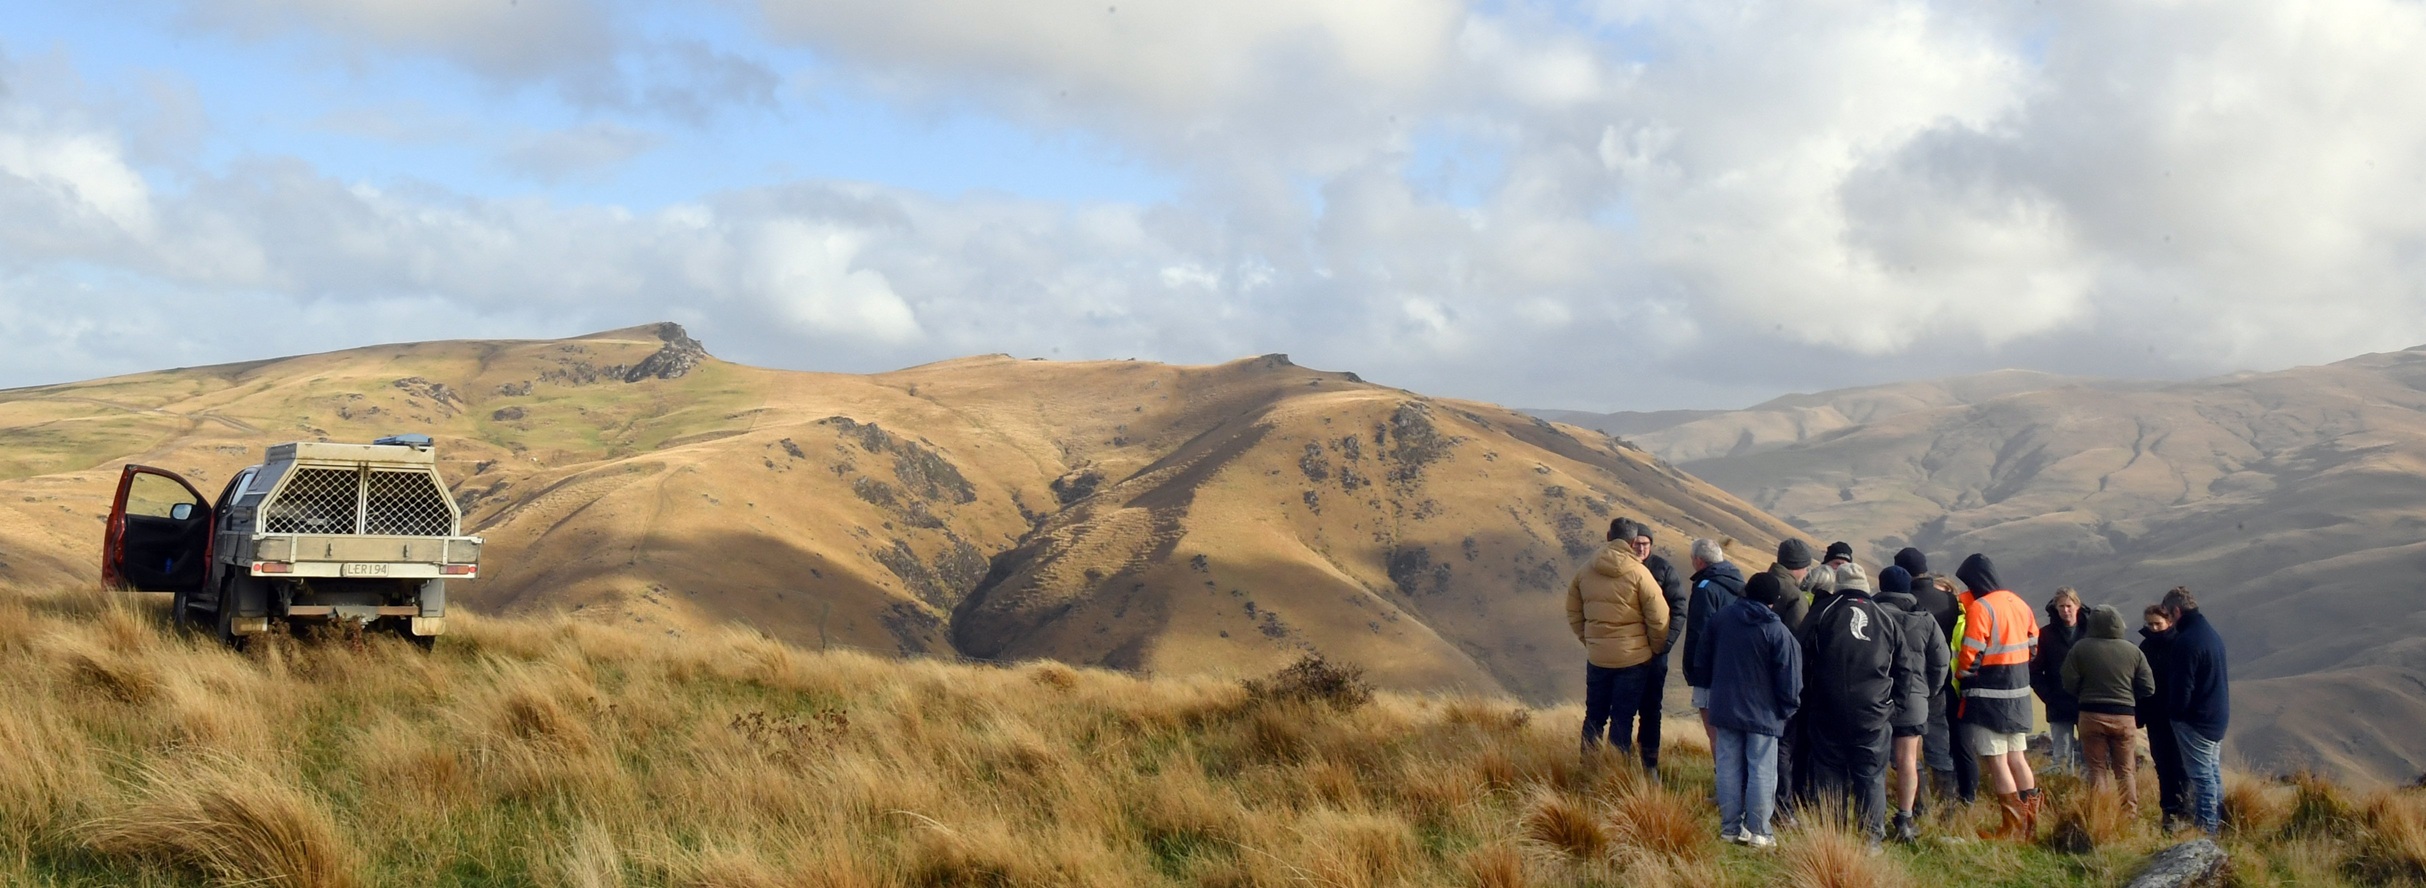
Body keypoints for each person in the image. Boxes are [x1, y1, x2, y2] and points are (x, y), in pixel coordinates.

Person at [1795, 562, 1907, 850]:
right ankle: (1871, 841)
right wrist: (1893, 706)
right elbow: (1904, 669)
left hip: (1827, 709)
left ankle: (1834, 839)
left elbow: (1800, 657)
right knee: (1871, 776)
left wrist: (1805, 699)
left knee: (1829, 771)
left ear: (1838, 585)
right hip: (1873, 713)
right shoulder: (1886, 618)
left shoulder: (1823, 612)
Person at [1709, 570, 1802, 849]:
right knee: (1762, 769)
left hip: (1725, 705)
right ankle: (1759, 832)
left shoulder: (1722, 619)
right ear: (1773, 600)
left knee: (1728, 766)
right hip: (1764, 713)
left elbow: (1703, 656)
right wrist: (1786, 709)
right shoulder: (1777, 630)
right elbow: (1790, 678)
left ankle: (1729, 829)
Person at [1567, 519, 1672, 759]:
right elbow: (1659, 617)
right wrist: (1653, 648)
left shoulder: (1585, 571)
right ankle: (1615, 770)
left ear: (1608, 536)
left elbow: (1573, 612)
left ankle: (1588, 767)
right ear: (1633, 542)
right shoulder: (1640, 573)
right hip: (1633, 658)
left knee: (1594, 715)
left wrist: (1591, 640)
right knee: (1623, 717)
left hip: (1598, 658)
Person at [1954, 554, 2041, 840]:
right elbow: (2033, 646)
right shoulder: (2019, 602)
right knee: (2018, 757)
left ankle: (2012, 827)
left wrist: (1962, 674)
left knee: (1998, 760)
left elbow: (1970, 654)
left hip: (1989, 696)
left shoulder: (1982, 607)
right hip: (2019, 692)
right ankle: (2031, 825)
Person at [1897, 548, 1976, 810]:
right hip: (1940, 683)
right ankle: (1948, 805)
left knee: (1906, 750)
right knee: (1940, 746)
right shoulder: (1950, 602)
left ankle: (1919, 805)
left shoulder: (1904, 601)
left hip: (1906, 685)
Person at [1876, 565, 1948, 842]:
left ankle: (1875, 818)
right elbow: (1941, 661)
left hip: (1876, 698)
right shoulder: (1925, 619)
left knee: (1876, 759)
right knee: (1908, 760)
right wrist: (1928, 691)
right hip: (1914, 699)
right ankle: (1905, 819)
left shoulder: (1872, 614)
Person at [2063, 604, 2155, 817]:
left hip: (2091, 715)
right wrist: (2129, 697)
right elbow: (2148, 687)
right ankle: (2129, 815)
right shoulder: (2133, 651)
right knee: (2125, 770)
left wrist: (2084, 693)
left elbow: (2068, 682)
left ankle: (2101, 815)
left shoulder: (2080, 648)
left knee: (2096, 769)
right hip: (2124, 716)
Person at [2159, 587, 2228, 834]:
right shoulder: (2209, 634)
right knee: (2212, 772)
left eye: (2169, 615)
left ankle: (2206, 832)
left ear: (2177, 611)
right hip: (2215, 717)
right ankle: (2219, 823)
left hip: (2196, 720)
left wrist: (2175, 714)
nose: (2169, 621)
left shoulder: (2187, 642)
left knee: (2201, 777)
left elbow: (2182, 687)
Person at [1627, 523, 1691, 775]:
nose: (1641, 548)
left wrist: (1664, 644)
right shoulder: (1622, 567)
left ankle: (1649, 763)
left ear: (1651, 545)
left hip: (1655, 655)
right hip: (1626, 651)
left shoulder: (1663, 569)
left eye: (1645, 544)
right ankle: (1618, 761)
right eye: (1637, 543)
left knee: (1651, 709)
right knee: (1622, 708)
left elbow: (1679, 607)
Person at [1766, 539, 1816, 818]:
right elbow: (1799, 644)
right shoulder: (1795, 597)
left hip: (1754, 680)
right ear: (1798, 567)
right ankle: (1782, 807)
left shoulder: (1758, 584)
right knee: (1784, 745)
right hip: (1783, 683)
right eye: (1806, 567)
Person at [1682, 538, 1746, 751]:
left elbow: (1699, 632)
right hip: (1736, 669)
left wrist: (1693, 668)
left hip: (1709, 671)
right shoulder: (1739, 581)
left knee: (1716, 736)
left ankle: (1722, 772)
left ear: (1699, 561)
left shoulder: (1705, 588)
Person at [2138, 605, 2189, 829]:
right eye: (2150, 624)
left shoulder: (2179, 645)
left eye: (2158, 624)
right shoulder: (2145, 647)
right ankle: (2168, 811)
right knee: (2162, 765)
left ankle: (2185, 810)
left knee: (2180, 765)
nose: (2154, 628)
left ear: (2169, 622)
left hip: (2177, 716)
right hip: (2154, 716)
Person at [2032, 587, 2086, 775]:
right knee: (2061, 758)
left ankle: (2091, 792)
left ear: (2077, 606)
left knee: (2090, 758)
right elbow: (2035, 671)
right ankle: (2063, 787)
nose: (2066, 610)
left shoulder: (2090, 632)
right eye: (2061, 606)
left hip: (2087, 703)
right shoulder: (2046, 635)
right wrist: (2049, 697)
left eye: (2069, 606)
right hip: (2058, 703)